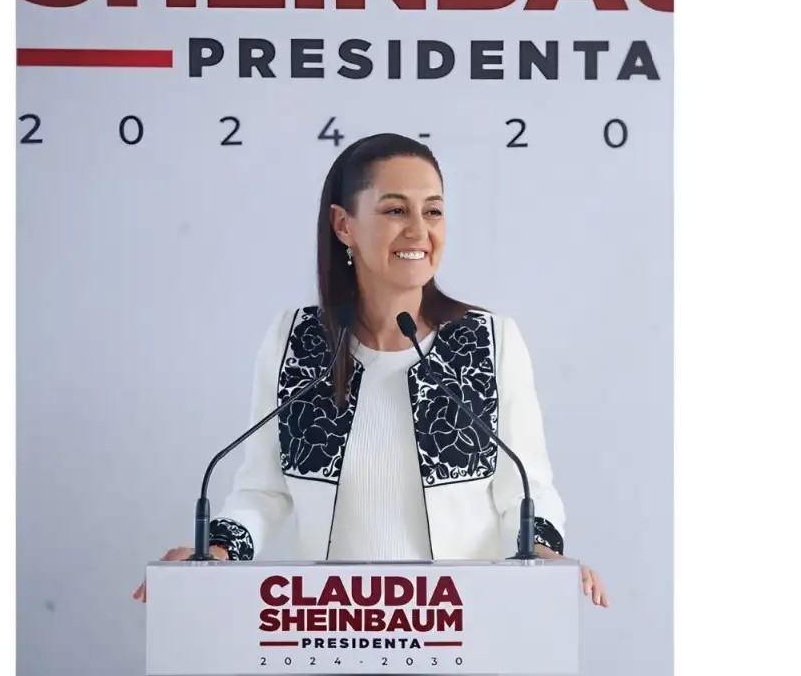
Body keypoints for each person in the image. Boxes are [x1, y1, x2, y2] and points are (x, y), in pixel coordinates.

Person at [134, 133, 608, 607]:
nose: (419, 231)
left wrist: (547, 557)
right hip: (328, 632)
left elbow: (525, 489)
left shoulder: (490, 341)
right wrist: (213, 554)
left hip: (457, 630)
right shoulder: (295, 342)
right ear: (344, 225)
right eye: (396, 210)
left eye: (434, 211)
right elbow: (263, 489)